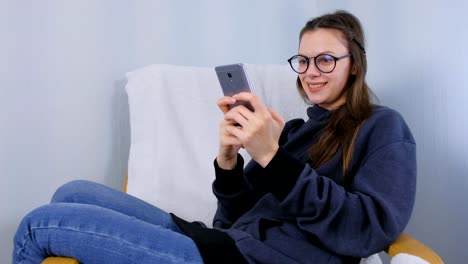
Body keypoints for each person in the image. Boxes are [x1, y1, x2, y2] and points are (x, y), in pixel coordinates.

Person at [13, 10, 416, 264]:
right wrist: (229, 160)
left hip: (254, 258)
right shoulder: (294, 131)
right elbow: (234, 219)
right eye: (303, 59)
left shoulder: (383, 126)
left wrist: (275, 159)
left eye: (326, 59)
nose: (311, 70)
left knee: (38, 225)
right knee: (73, 191)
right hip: (225, 241)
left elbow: (369, 227)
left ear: (355, 64)